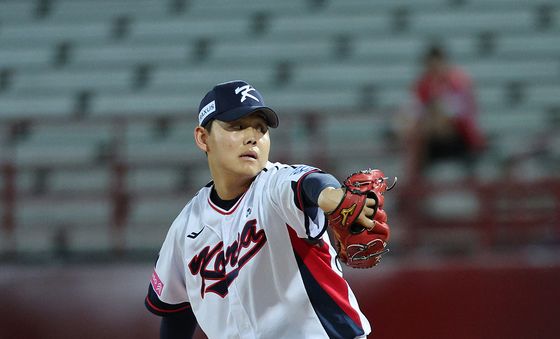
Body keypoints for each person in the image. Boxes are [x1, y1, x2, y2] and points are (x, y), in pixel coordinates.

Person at [144, 80, 382, 338]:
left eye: (260, 128)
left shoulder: (274, 185)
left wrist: (334, 199)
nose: (252, 137)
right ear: (203, 138)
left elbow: (311, 184)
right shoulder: (185, 227)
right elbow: (176, 310)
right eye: (237, 126)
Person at [398, 44, 486, 180]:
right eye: (431, 67)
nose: (434, 70)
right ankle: (414, 188)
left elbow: (457, 115)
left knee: (433, 124)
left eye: (437, 66)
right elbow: (411, 114)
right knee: (414, 139)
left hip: (460, 139)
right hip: (431, 140)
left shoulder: (458, 83)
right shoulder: (422, 86)